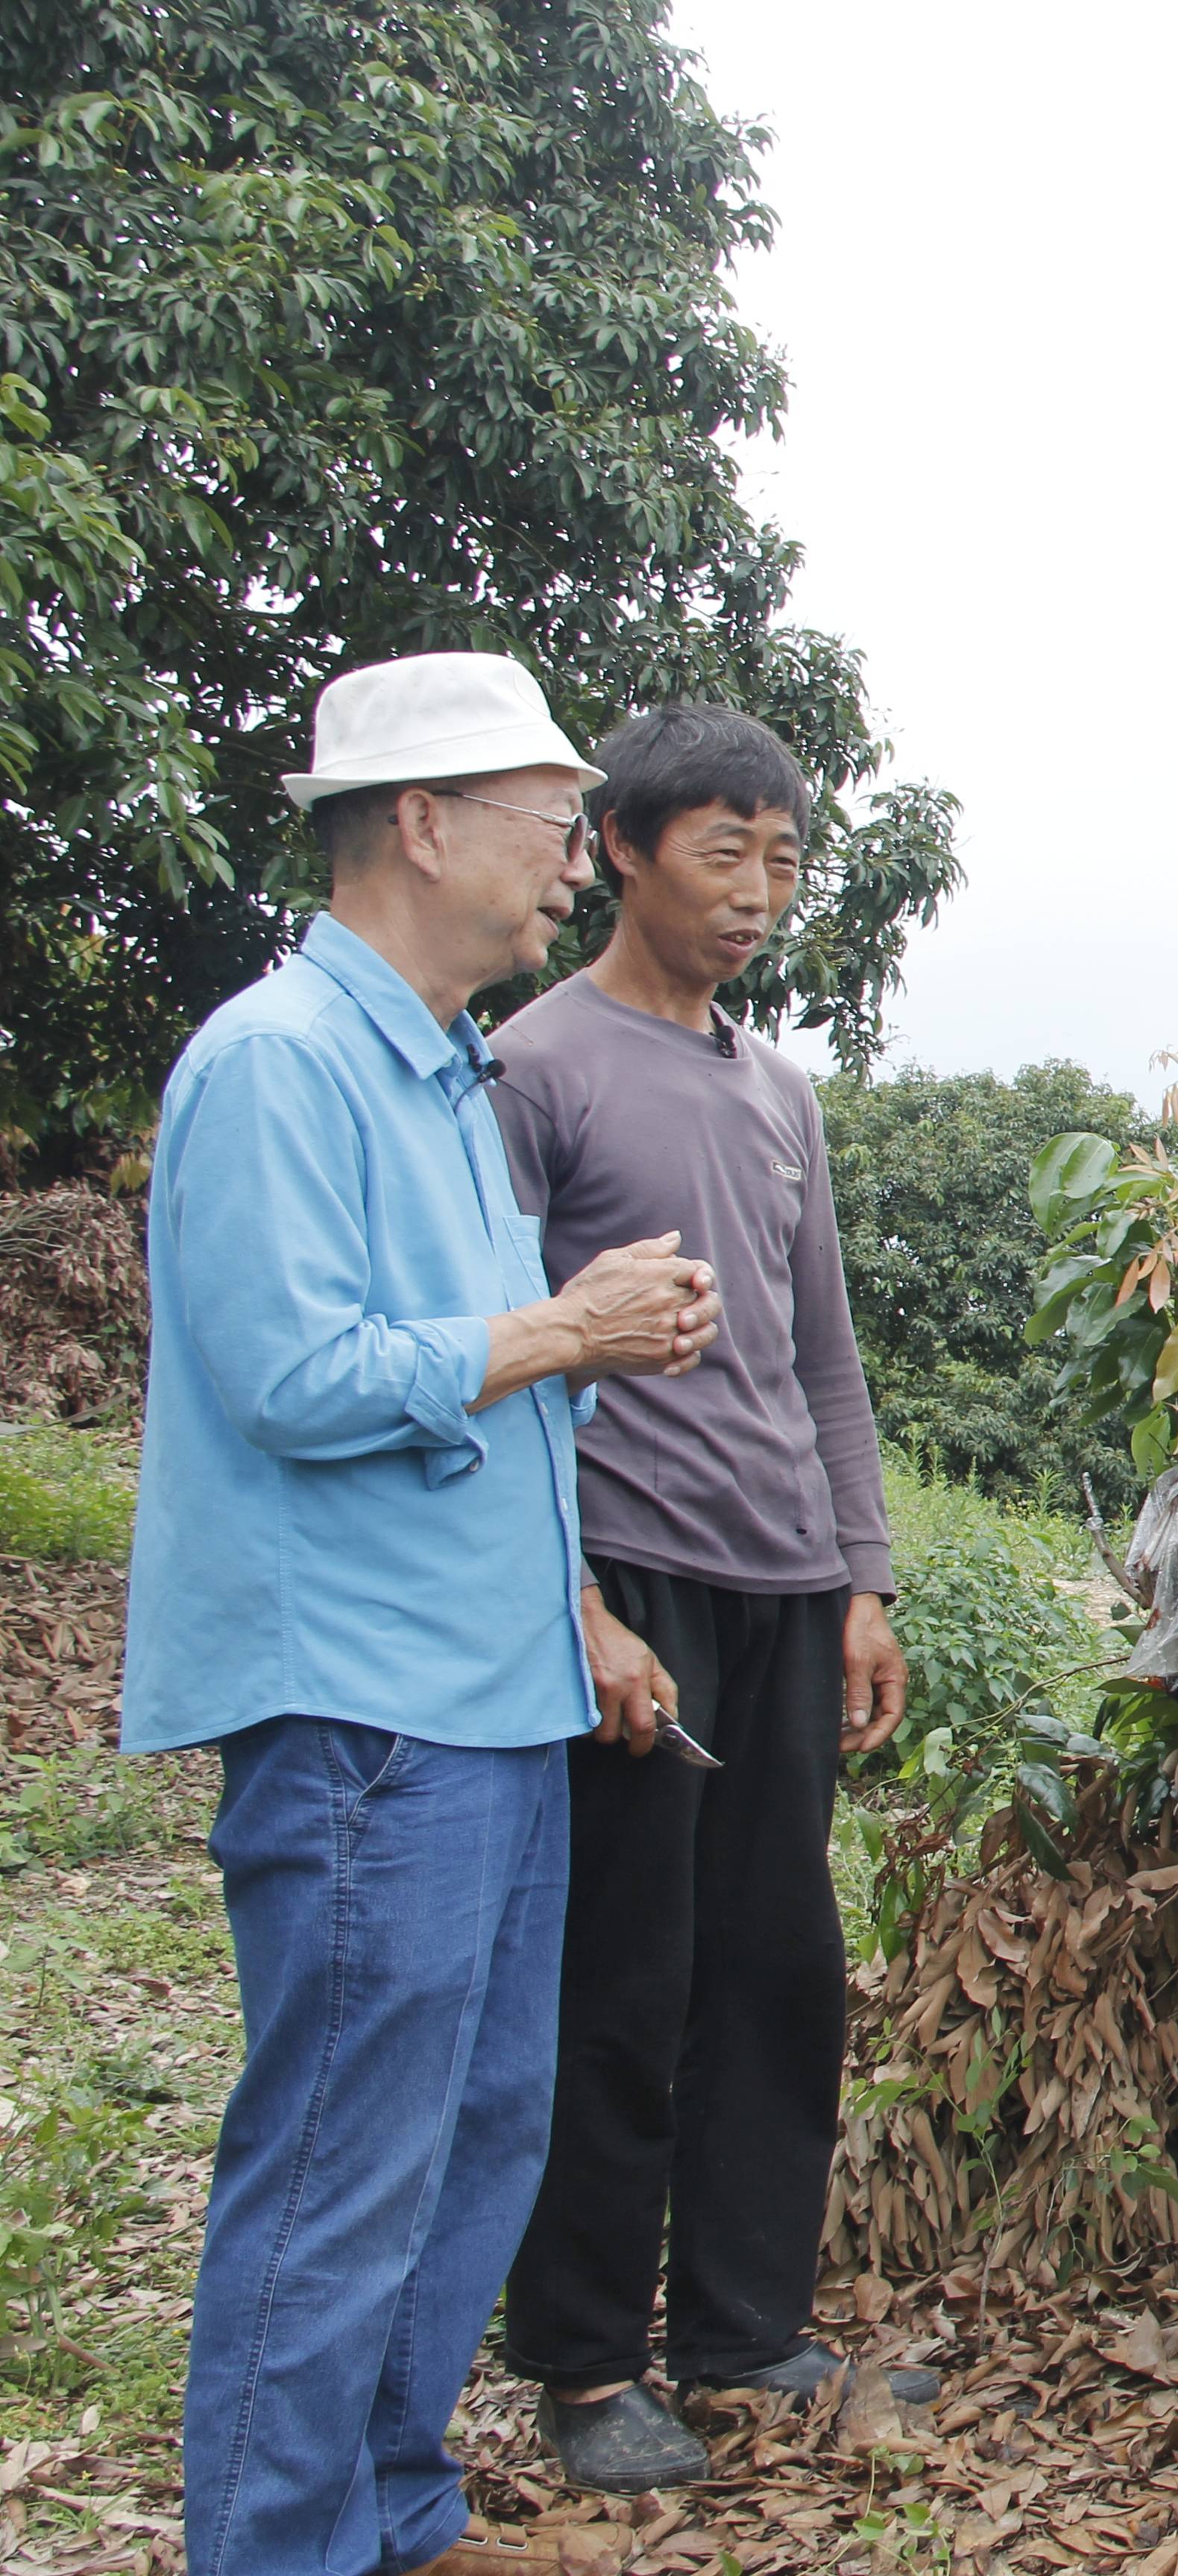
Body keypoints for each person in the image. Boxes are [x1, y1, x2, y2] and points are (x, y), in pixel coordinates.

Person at [126, 652, 720, 2576]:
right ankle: (280, 2543)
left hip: (491, 1692)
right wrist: (563, 1328)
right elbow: (294, 1372)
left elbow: (472, 1395)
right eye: (550, 814)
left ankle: (389, 2504)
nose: (574, 854)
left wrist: (579, 1590)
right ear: (416, 820)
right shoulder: (276, 1064)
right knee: (340, 2159)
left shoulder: (451, 1076)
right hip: (365, 1708)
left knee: (475, 2133)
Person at [487, 704, 922, 2490]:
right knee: (621, 1974)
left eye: (785, 859)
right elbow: (497, 1354)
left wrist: (863, 1578)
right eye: (722, 852)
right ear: (621, 848)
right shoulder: (534, 1066)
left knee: (776, 1969)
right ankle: (587, 2362)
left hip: (778, 1577)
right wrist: (568, 1594)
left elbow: (824, 1361)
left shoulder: (775, 1090)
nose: (758, 892)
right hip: (632, 1576)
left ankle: (743, 2320)